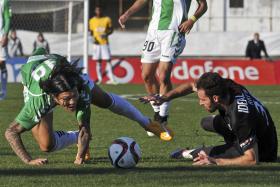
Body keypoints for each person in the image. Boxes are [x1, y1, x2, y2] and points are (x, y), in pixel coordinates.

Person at [4, 48, 173, 165]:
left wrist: (79, 159)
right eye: (66, 99)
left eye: (74, 96)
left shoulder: (80, 88)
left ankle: (146, 122)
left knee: (104, 100)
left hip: (63, 70)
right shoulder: (38, 100)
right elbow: (11, 132)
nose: (72, 102)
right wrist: (28, 160)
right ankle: (74, 138)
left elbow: (86, 128)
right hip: (35, 75)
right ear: (54, 97)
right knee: (46, 146)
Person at [140, 72, 278, 165]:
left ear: (215, 98)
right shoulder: (226, 85)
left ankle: (186, 152)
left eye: (203, 100)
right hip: (252, 127)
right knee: (205, 122)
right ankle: (233, 143)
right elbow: (190, 85)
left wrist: (216, 161)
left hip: (262, 150)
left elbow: (252, 160)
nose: (200, 103)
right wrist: (164, 98)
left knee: (205, 154)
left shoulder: (240, 116)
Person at [119, 0, 208, 136]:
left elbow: (203, 5)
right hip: (153, 32)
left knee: (163, 75)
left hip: (174, 31)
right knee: (146, 75)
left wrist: (192, 20)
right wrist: (127, 14)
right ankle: (157, 113)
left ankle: (162, 119)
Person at [89, 5, 116, 84]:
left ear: (101, 11)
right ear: (95, 11)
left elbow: (111, 30)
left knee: (108, 60)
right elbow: (91, 32)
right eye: (97, 10)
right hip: (96, 44)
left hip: (104, 43)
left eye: (99, 10)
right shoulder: (92, 20)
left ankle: (112, 79)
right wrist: (92, 39)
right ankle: (100, 79)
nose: (98, 12)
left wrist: (106, 34)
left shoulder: (107, 19)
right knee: (98, 61)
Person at [0, 0, 11, 100]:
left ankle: (3, 92)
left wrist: (6, 35)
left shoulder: (4, 1)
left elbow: (7, 18)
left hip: (0, 36)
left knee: (1, 64)